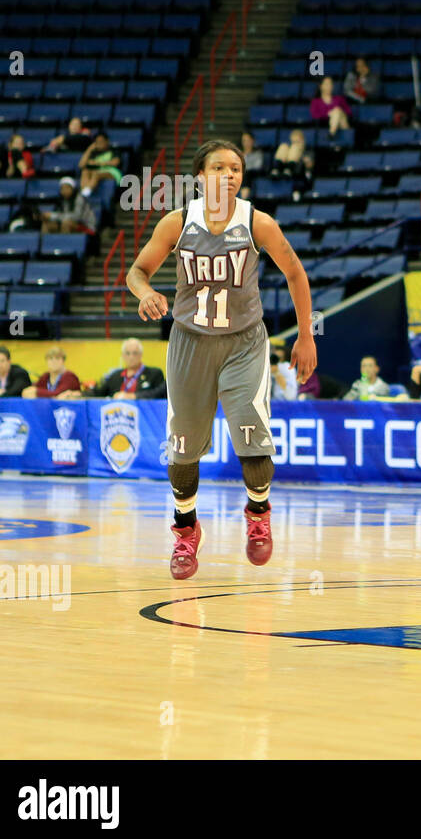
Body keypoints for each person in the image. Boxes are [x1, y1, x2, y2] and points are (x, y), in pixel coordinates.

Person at [127, 138, 317, 580]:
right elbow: (137, 271)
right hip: (189, 343)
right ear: (200, 177)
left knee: (252, 441)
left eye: (236, 168)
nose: (229, 175)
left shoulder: (258, 222)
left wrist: (306, 336)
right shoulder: (177, 223)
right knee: (182, 449)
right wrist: (146, 292)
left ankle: (257, 515)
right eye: (219, 168)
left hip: (244, 344)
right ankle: (185, 530)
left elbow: (295, 272)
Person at [85, 337, 167, 400]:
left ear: (141, 355)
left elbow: (159, 393)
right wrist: (78, 394)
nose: (131, 357)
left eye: (135, 353)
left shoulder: (154, 374)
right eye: (127, 353)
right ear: (123, 356)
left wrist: (134, 396)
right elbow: (99, 392)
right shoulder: (115, 376)